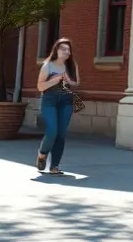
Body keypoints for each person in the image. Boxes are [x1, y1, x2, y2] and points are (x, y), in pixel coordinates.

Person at [35, 37, 79, 175]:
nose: (66, 52)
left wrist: (68, 80)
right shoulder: (48, 65)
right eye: (63, 49)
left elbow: (76, 84)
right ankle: (42, 154)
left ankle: (55, 166)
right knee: (52, 130)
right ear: (56, 50)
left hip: (66, 101)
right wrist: (53, 81)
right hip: (50, 101)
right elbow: (40, 86)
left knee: (61, 133)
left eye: (68, 50)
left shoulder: (72, 66)